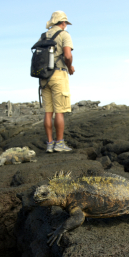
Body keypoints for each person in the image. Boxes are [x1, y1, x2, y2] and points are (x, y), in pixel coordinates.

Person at [40, 11, 75, 153]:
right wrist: (70, 67)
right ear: (63, 23)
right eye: (65, 23)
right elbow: (67, 55)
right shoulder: (64, 35)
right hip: (58, 74)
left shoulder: (44, 35)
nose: (66, 25)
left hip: (44, 77)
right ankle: (59, 144)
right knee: (60, 111)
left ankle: (50, 143)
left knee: (48, 112)